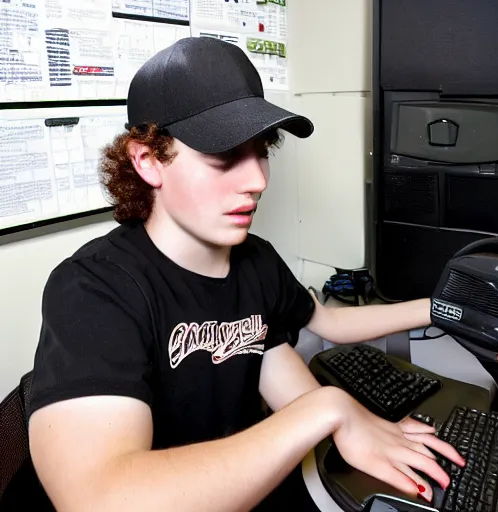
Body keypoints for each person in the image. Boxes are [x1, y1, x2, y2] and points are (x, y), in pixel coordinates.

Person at [27, 37, 464, 512]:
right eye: (224, 156)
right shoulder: (94, 289)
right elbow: (100, 499)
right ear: (148, 161)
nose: (257, 180)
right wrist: (328, 409)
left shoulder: (254, 262)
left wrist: (443, 312)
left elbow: (280, 354)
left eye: (261, 151)